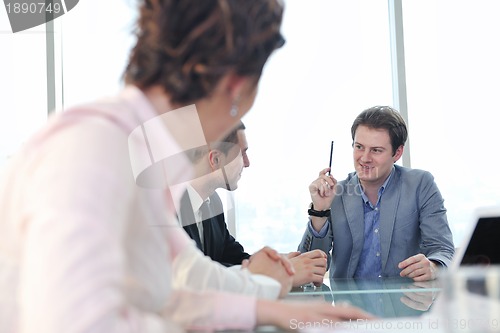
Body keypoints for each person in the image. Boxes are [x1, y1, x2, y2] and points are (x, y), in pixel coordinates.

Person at [0, 1, 372, 332]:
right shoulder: (96, 146)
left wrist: (264, 306)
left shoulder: (144, 153)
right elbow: (75, 323)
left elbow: (186, 278)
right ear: (236, 85)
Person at [299, 106, 455, 282]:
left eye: (376, 150)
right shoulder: (335, 193)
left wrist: (434, 266)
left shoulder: (420, 185)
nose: (365, 158)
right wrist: (319, 211)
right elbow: (309, 268)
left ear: (397, 153)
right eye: (359, 147)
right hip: (348, 306)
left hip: (406, 303)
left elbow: (443, 249)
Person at [179, 122, 328, 286]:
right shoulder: (166, 209)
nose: (247, 162)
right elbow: (195, 276)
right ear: (215, 159)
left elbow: (233, 257)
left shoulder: (212, 202)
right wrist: (276, 274)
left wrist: (280, 264)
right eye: (242, 154)